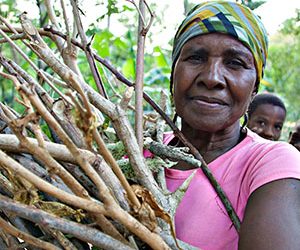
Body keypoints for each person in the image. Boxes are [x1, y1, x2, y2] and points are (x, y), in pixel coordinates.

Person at [162, 1, 300, 249]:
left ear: (254, 87)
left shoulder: (270, 162)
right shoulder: (138, 152)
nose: (212, 78)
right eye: (195, 57)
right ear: (173, 74)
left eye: (235, 63)